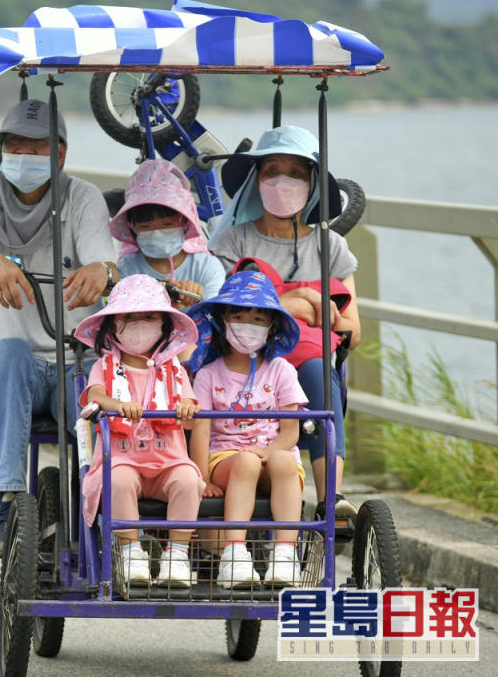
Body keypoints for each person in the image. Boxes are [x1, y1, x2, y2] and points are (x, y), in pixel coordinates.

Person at [0, 98, 119, 556]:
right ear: (0, 150)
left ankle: (103, 502)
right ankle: (6, 499)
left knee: (98, 414)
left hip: (76, 360)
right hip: (17, 365)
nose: (22, 156)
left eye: (35, 147)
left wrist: (101, 272)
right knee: (5, 351)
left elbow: (105, 259)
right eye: (14, 146)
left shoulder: (81, 197)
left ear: (59, 154)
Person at [207, 125, 360, 526]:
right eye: (271, 170)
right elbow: (226, 313)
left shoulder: (331, 247)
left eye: (295, 173)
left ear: (311, 184)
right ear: (256, 181)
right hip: (243, 362)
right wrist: (304, 302)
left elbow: (350, 331)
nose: (283, 181)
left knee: (318, 373)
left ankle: (332, 499)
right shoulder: (232, 244)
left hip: (304, 365)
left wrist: (294, 305)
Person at [73, 274, 202, 586]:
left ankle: (176, 554)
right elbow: (94, 398)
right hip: (123, 461)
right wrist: (115, 403)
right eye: (130, 317)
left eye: (149, 316)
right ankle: (131, 553)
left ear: (164, 326)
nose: (140, 323)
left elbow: (191, 408)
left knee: (188, 480)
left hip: (167, 462)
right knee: (117, 479)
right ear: (114, 325)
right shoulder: (103, 367)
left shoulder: (174, 369)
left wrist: (187, 406)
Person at [187, 271, 308, 587]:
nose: (247, 325)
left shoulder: (281, 370)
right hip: (226, 458)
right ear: (223, 320)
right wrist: (201, 477)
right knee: (246, 461)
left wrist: (267, 451)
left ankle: (284, 555)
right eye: (238, 317)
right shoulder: (208, 374)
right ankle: (234, 554)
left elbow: (290, 432)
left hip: (273, 453)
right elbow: (200, 431)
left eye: (257, 319)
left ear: (271, 326)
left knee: (283, 460)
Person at [111, 159, 225, 310]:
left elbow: (218, 315)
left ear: (185, 222)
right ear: (132, 228)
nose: (157, 234)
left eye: (168, 225)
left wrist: (200, 300)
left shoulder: (207, 267)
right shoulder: (126, 268)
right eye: (146, 227)